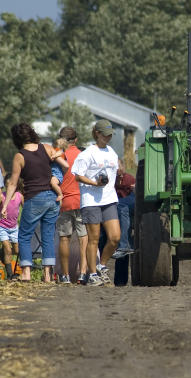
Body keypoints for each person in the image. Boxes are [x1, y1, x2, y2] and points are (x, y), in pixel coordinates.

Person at [1, 123, 69, 283]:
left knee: (24, 235)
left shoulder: (20, 156)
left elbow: (12, 183)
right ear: (32, 133)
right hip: (52, 198)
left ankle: (26, 273)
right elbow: (65, 164)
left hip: (35, 197)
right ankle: (47, 275)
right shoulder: (45, 147)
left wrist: (5, 205)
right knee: (47, 236)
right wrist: (56, 179)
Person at [71, 119, 121, 286]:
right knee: (94, 239)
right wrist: (94, 183)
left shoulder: (111, 151)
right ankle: (92, 274)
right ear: (97, 134)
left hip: (109, 198)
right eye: (105, 135)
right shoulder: (87, 153)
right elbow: (77, 175)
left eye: (110, 135)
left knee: (115, 237)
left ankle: (102, 264)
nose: (108, 138)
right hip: (91, 200)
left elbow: (115, 168)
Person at [55, 127, 88, 284]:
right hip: (81, 201)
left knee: (64, 238)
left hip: (64, 201)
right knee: (83, 239)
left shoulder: (58, 155)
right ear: (76, 140)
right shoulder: (83, 155)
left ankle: (65, 275)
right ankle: (82, 273)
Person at [0, 173, 24, 280]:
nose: (9, 187)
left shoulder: (20, 197)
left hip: (14, 227)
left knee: (16, 250)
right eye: (7, 185)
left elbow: (25, 211)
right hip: (2, 226)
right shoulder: (1, 196)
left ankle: (0, 253)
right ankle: (10, 275)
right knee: (8, 249)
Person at [112, 159, 136, 259]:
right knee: (121, 210)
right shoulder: (112, 179)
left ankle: (124, 245)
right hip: (117, 201)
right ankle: (125, 244)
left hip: (129, 199)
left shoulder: (129, 178)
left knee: (122, 207)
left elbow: (134, 189)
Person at [50, 138, 68, 203]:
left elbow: (59, 153)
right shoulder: (61, 152)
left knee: (53, 183)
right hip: (55, 172)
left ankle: (60, 194)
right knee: (52, 183)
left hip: (57, 173)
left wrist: (53, 156)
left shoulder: (60, 152)